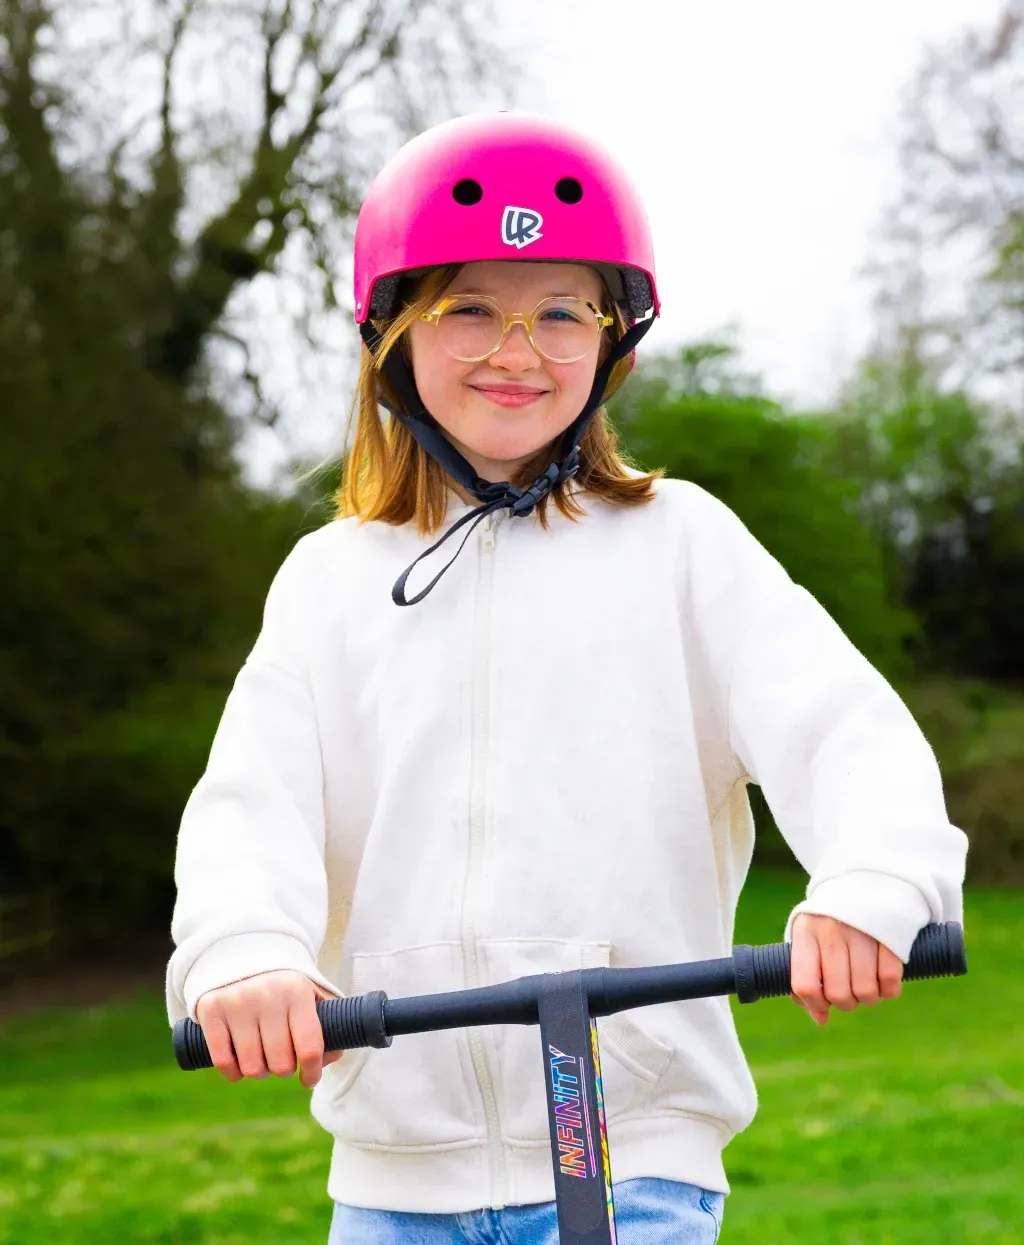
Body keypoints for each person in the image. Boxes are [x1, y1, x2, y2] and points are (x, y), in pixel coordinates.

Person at [165, 112, 968, 1244]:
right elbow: (253, 805)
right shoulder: (328, 583)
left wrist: (869, 886)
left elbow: (843, 731)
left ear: (612, 346)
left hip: (635, 1159)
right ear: (390, 340)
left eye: (559, 312)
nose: (517, 349)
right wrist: (244, 954)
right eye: (470, 310)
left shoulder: (680, 545)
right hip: (396, 1180)